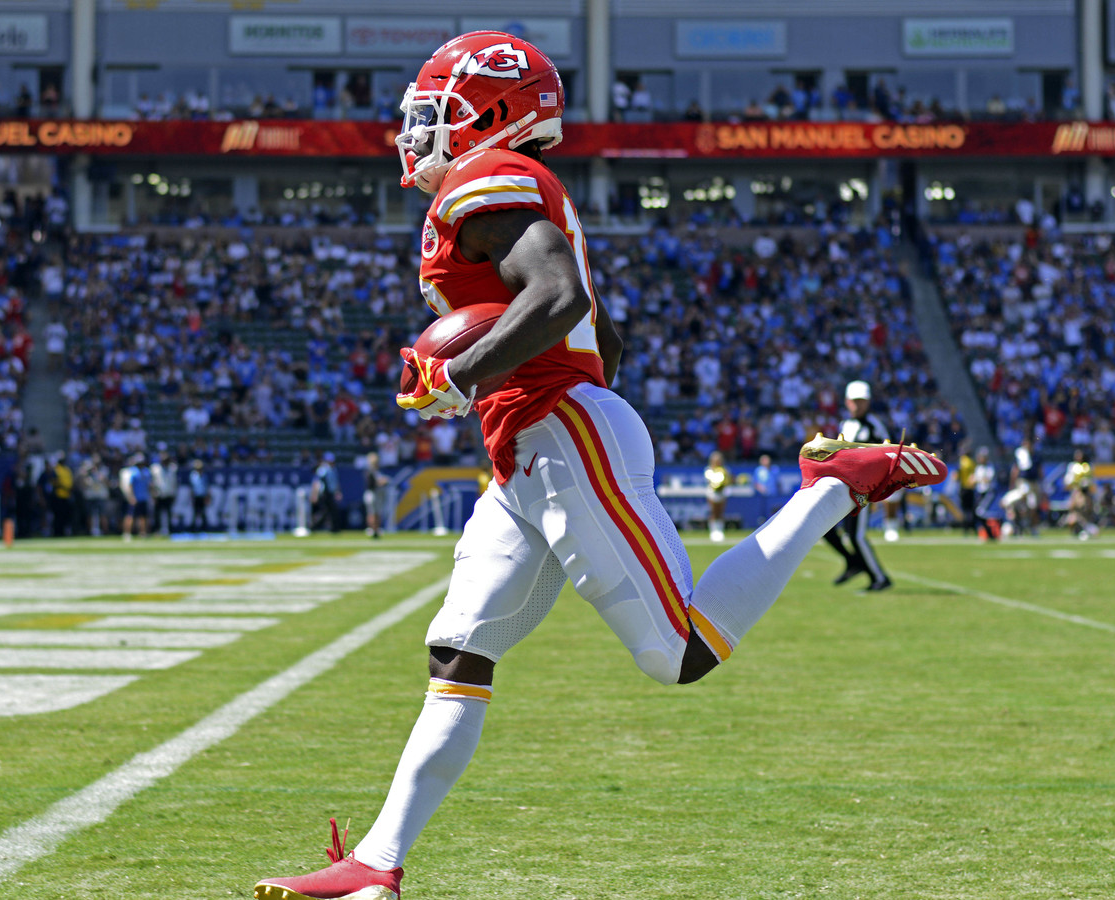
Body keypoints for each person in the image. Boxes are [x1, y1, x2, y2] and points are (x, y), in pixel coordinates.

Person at [252, 32, 948, 900]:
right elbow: (602, 335)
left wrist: (463, 375)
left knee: (679, 653)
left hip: (558, 435)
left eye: (435, 110)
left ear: (488, 111)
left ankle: (836, 483)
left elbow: (562, 300)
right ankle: (376, 866)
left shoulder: (482, 178)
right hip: (532, 446)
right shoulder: (513, 191)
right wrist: (512, 388)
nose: (416, 128)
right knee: (459, 651)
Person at [820, 380, 892, 591]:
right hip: (843, 486)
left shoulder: (874, 425)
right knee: (826, 528)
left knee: (857, 536)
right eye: (855, 401)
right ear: (847, 402)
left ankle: (879, 578)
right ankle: (853, 563)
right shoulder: (845, 424)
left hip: (863, 488)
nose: (858, 405)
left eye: (862, 401)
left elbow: (889, 454)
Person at [1062, 448, 1097, 539]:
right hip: (1076, 491)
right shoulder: (1072, 466)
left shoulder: (1088, 467)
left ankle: (1085, 529)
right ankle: (1078, 529)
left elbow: (1091, 481)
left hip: (1085, 492)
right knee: (1074, 514)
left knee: (1085, 511)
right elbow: (1067, 481)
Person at [119, 453, 151, 542]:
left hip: (143, 497)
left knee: (143, 516)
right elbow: (130, 485)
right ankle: (126, 533)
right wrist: (131, 496)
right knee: (130, 516)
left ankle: (143, 532)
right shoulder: (133, 472)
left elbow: (149, 485)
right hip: (135, 498)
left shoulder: (146, 472)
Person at [310, 452, 342, 533]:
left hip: (330, 492)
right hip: (325, 493)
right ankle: (314, 525)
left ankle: (334, 528)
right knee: (326, 511)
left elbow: (335, 483)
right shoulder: (323, 469)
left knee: (330, 511)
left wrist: (337, 492)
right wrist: (315, 494)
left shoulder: (333, 469)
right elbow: (317, 482)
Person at [703, 450, 729, 542]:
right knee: (713, 512)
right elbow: (711, 481)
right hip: (712, 493)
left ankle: (720, 531)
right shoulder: (709, 470)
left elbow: (726, 481)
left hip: (722, 493)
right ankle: (713, 532)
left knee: (720, 512)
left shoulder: (724, 470)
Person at [361, 452, 388, 539]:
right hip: (372, 494)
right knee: (372, 513)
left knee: (377, 513)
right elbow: (371, 484)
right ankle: (372, 529)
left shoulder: (377, 472)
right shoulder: (370, 471)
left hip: (377, 494)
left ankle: (376, 529)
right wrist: (381, 482)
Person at [151, 451, 179, 535]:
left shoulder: (173, 468)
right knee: (157, 514)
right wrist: (153, 494)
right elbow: (152, 483)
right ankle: (157, 530)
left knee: (169, 513)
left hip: (169, 493)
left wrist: (174, 493)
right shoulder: (155, 468)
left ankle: (170, 530)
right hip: (158, 494)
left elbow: (175, 482)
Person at [187, 459, 210, 532]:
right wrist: (191, 497)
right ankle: (193, 528)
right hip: (196, 496)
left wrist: (207, 496)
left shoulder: (204, 476)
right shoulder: (193, 476)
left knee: (203, 512)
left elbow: (206, 487)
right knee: (195, 513)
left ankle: (204, 528)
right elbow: (191, 487)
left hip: (202, 496)